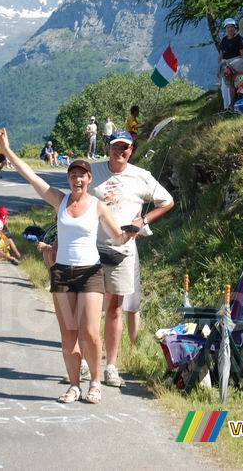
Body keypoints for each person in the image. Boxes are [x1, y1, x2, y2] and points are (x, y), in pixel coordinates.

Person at [0, 128, 130, 404]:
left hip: (90, 272)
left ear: (89, 179)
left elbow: (118, 236)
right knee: (68, 334)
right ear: (68, 179)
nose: (77, 179)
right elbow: (32, 178)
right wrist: (8, 152)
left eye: (81, 175)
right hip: (62, 273)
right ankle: (73, 385)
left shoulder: (97, 205)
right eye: (72, 175)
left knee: (90, 332)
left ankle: (94, 381)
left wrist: (136, 228)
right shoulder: (60, 200)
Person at [90, 130, 175, 388]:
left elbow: (168, 201)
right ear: (107, 148)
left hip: (123, 251)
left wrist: (144, 220)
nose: (121, 151)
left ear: (132, 149)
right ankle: (86, 361)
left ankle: (111, 367)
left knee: (115, 308)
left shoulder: (141, 176)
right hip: (91, 248)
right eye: (116, 146)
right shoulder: (92, 171)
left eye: (125, 147)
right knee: (90, 308)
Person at [218, 18, 243, 110]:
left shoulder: (239, 38)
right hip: (226, 65)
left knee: (239, 83)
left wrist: (241, 65)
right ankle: (229, 106)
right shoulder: (224, 40)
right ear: (225, 29)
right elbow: (221, 55)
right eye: (228, 27)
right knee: (228, 86)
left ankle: (239, 105)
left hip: (238, 64)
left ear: (235, 28)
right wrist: (220, 67)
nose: (230, 29)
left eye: (232, 27)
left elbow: (242, 53)